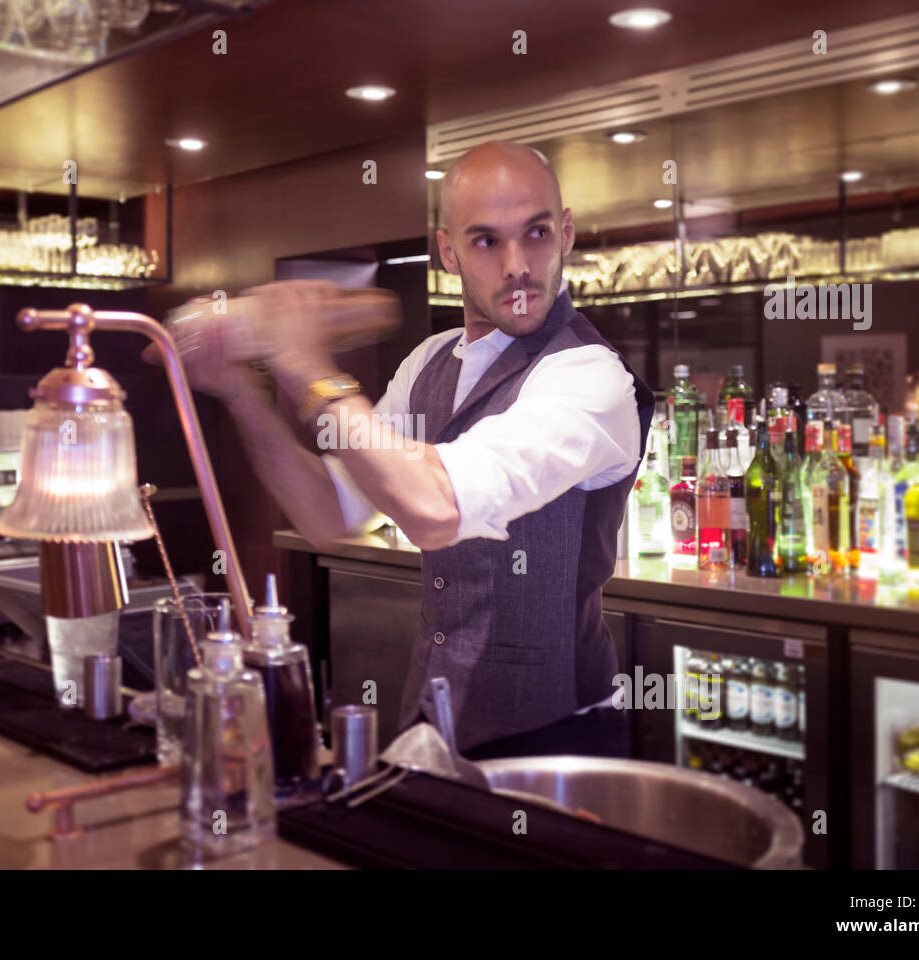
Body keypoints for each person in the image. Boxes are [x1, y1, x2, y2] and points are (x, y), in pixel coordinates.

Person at [171, 140, 653, 758]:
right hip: (434, 716)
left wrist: (304, 365)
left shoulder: (590, 374)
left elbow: (434, 509)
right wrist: (241, 393)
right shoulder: (427, 364)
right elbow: (328, 512)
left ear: (565, 233)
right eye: (485, 241)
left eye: (535, 233)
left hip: (554, 738)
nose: (516, 265)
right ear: (448, 251)